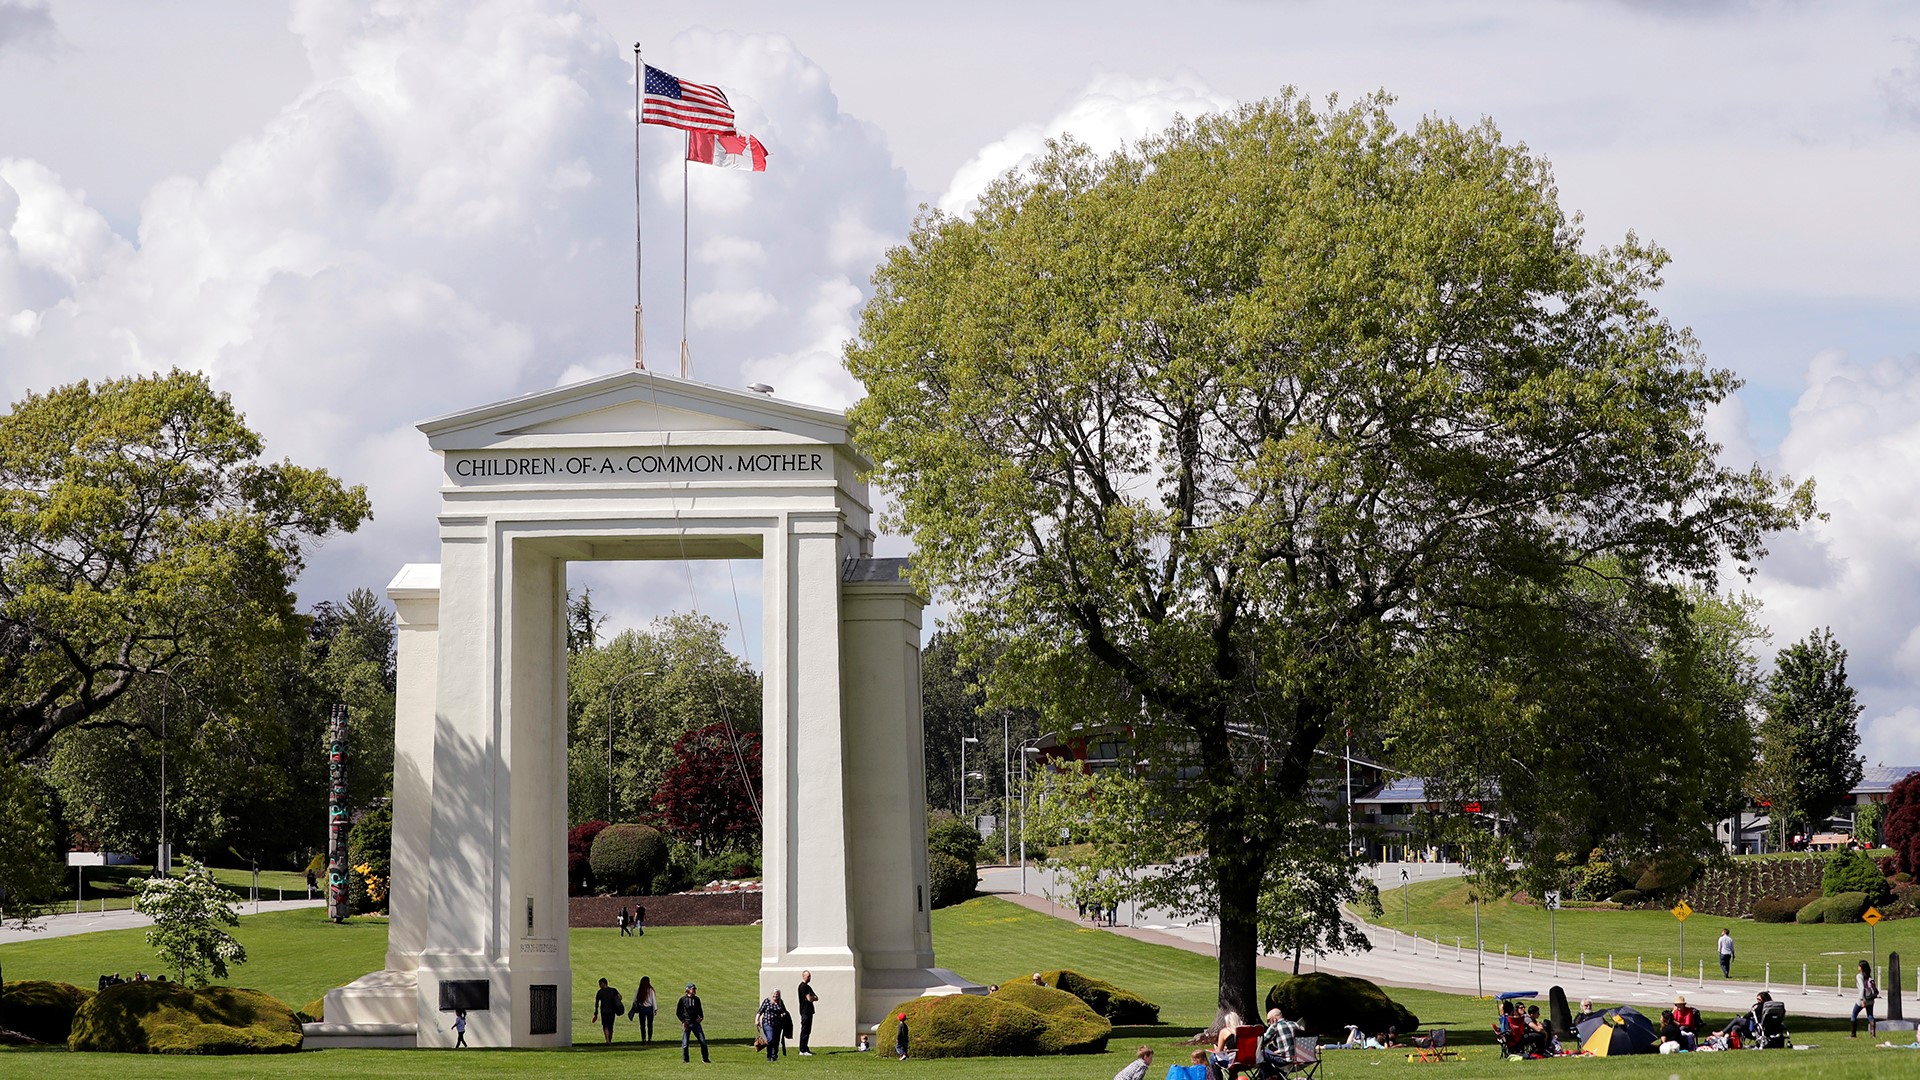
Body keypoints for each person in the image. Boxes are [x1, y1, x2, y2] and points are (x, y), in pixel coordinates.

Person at [1257, 1006, 1302, 1074]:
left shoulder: (1275, 1026)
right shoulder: (1295, 1024)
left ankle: (1264, 1077)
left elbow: (1261, 1042)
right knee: (1269, 1053)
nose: (1268, 1023)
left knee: (1262, 1053)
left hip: (1286, 1062)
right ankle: (1276, 1076)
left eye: (1269, 1020)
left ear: (1274, 1019)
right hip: (1301, 1060)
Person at [677, 981, 709, 1062]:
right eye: (693, 989)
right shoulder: (682, 1000)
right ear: (688, 990)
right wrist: (683, 1021)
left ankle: (705, 1059)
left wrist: (701, 1017)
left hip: (695, 1023)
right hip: (687, 1023)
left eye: (694, 989)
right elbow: (678, 1012)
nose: (694, 990)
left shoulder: (697, 999)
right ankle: (686, 1059)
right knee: (685, 1043)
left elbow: (700, 1010)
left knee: (703, 1041)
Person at [756, 988, 789, 1062]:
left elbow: (784, 1012)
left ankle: (774, 1057)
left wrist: (784, 1017)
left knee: (776, 1041)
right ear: (772, 995)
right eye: (774, 994)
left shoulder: (780, 1002)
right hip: (767, 1023)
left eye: (777, 994)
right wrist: (757, 1019)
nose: (775, 996)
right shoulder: (767, 1001)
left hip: (778, 1024)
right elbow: (760, 1011)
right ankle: (769, 1055)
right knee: (770, 1039)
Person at [591, 977, 623, 1044]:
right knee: (611, 1026)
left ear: (603, 983)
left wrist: (596, 1012)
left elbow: (597, 1003)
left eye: (600, 984)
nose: (599, 985)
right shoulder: (613, 990)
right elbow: (620, 997)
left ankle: (607, 1040)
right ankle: (610, 1040)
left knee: (605, 1026)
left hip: (604, 1011)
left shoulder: (600, 992)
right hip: (612, 1011)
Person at [1851, 959, 1878, 1038]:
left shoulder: (1859, 976)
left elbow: (1862, 988)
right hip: (1870, 999)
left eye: (1859, 966)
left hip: (1862, 999)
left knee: (1854, 1014)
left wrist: (1862, 1000)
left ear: (1861, 968)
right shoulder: (1869, 976)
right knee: (1870, 1015)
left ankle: (1853, 1034)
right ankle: (1873, 1034)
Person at [796, 969, 819, 1056]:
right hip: (804, 1011)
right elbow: (810, 998)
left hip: (810, 1011)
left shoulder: (808, 987)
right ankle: (802, 1050)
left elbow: (816, 997)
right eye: (808, 976)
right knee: (804, 1030)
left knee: (808, 1030)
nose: (809, 978)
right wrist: (812, 998)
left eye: (810, 976)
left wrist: (812, 998)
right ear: (803, 976)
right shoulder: (802, 986)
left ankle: (805, 1047)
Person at [628, 975, 657, 1043]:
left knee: (642, 1025)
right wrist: (655, 1009)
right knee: (650, 1025)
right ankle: (650, 1039)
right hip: (649, 1009)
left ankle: (643, 1039)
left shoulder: (639, 990)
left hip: (642, 1009)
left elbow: (635, 1000)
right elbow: (653, 1000)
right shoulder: (651, 990)